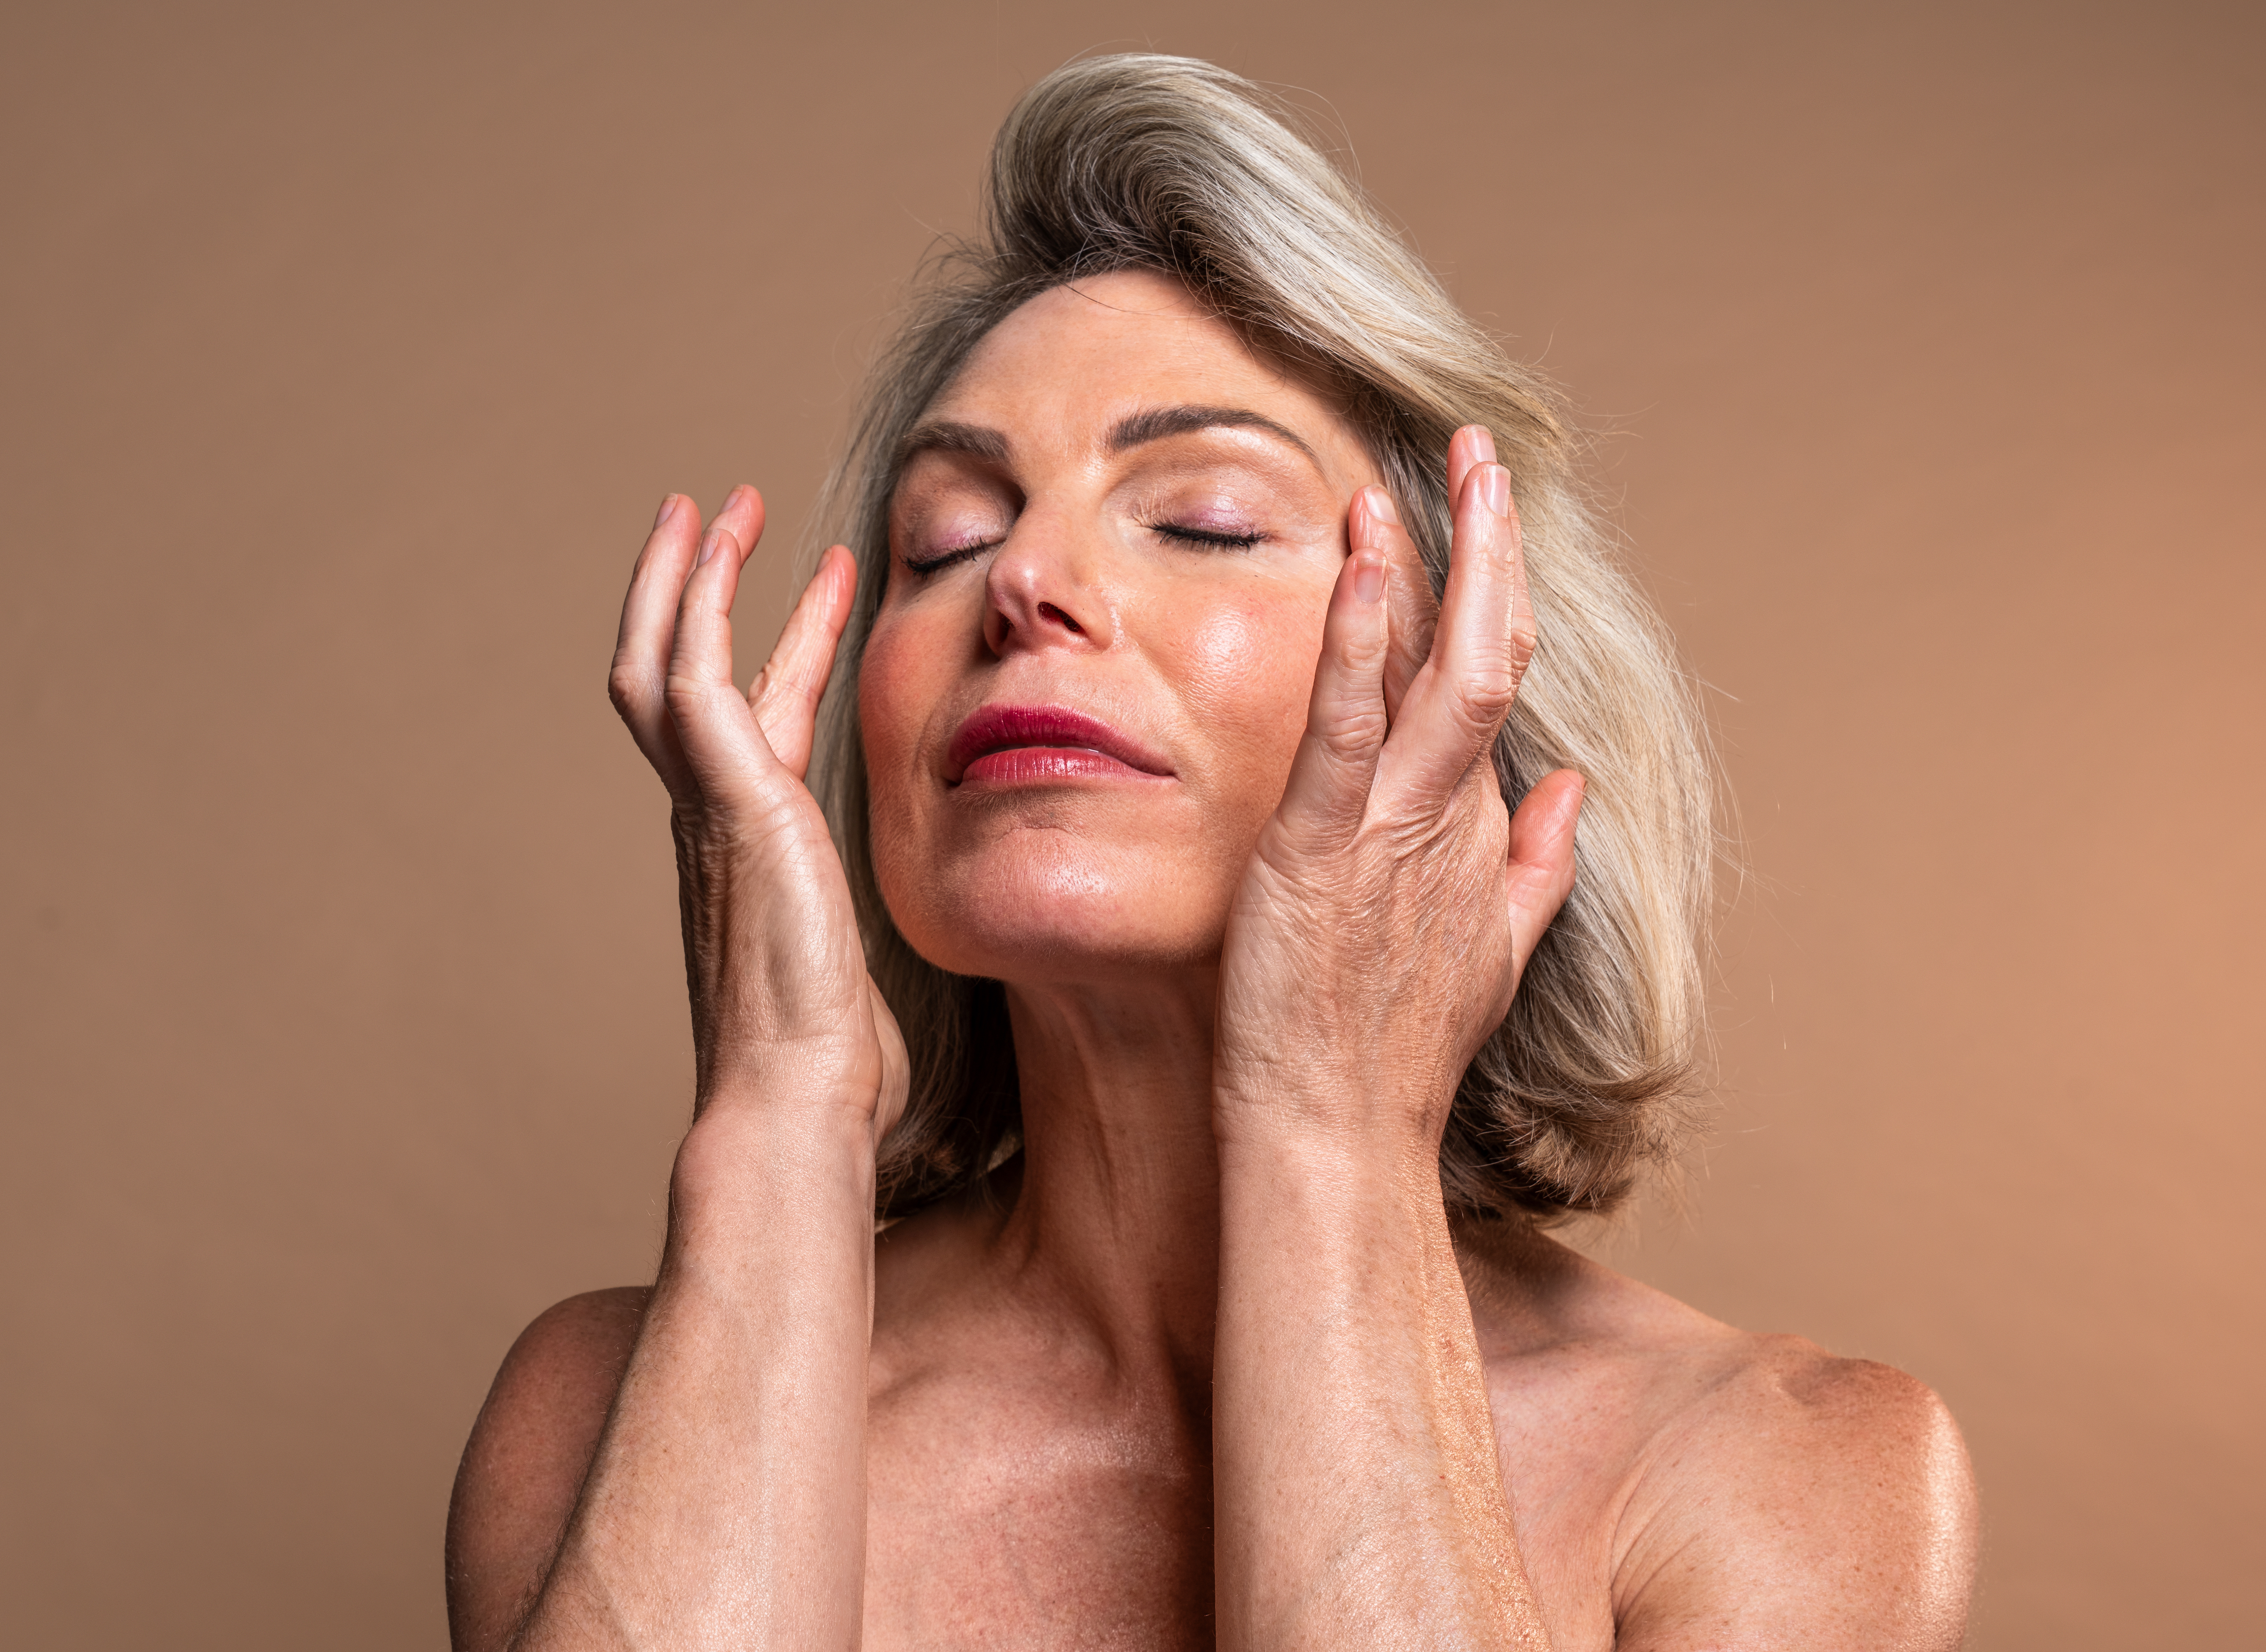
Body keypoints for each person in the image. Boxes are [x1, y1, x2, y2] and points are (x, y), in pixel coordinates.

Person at [445, 54, 1977, 1650]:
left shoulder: (1779, 1465)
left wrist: (1332, 1126)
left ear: (1465, 670)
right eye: (944, 540)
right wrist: (775, 1123)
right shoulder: (603, 1410)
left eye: (1204, 520)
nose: (1023, 578)